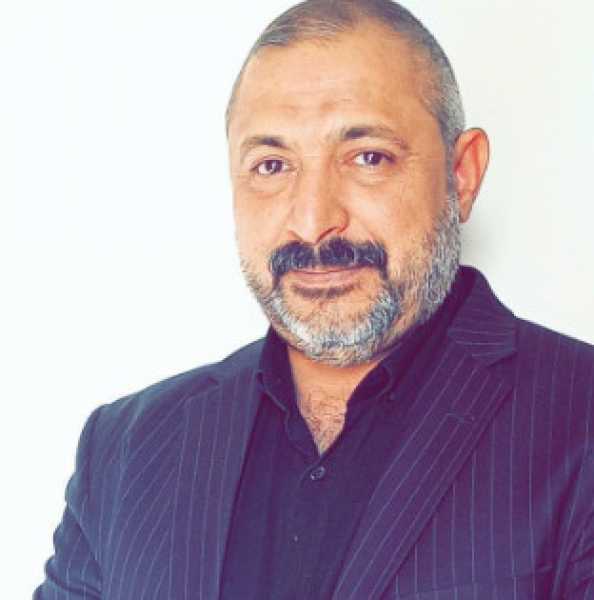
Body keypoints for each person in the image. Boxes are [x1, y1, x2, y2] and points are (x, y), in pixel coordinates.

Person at [34, 0, 594, 598]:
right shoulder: (123, 450)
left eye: (368, 157)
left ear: (462, 174)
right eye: (272, 165)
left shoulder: (579, 417)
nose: (312, 221)